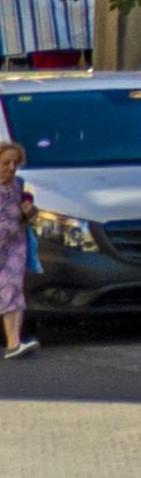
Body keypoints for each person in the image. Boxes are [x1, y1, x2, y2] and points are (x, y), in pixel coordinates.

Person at [0, 129, 32, 362]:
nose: (11, 168)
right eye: (5, 163)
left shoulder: (20, 184)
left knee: (12, 287)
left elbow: (31, 210)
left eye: (15, 163)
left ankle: (14, 343)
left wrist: (29, 211)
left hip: (14, 243)